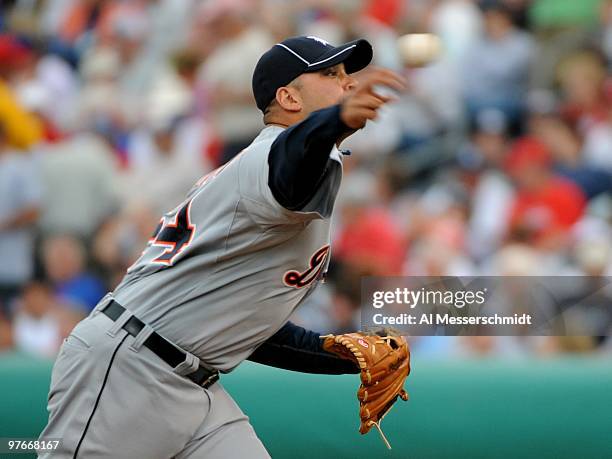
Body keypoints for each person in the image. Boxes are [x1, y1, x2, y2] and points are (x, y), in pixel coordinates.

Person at [39, 36, 405, 458]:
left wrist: (342, 354)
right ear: (287, 97)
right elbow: (290, 162)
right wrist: (333, 122)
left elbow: (249, 328)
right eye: (329, 74)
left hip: (194, 385)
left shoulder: (293, 169)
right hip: (125, 369)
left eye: (347, 74)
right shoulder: (270, 157)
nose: (348, 83)